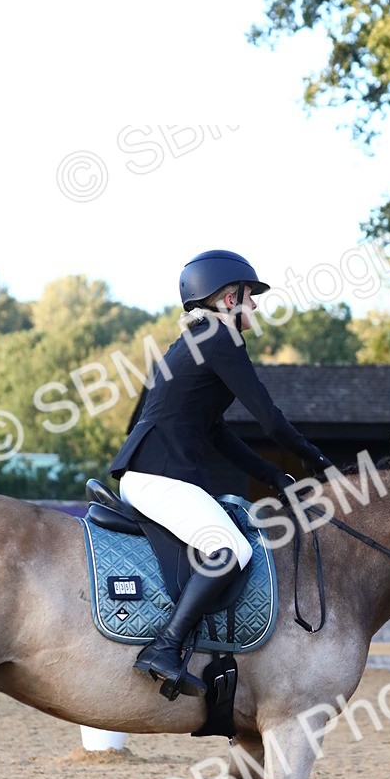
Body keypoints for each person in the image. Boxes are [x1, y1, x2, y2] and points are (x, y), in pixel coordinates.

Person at [109, 249, 334, 697]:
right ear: (230, 298)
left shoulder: (193, 341)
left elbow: (218, 433)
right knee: (230, 549)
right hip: (161, 477)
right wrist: (321, 462)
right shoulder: (220, 337)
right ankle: (165, 647)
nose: (255, 305)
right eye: (251, 296)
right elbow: (270, 420)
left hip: (151, 475)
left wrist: (273, 475)